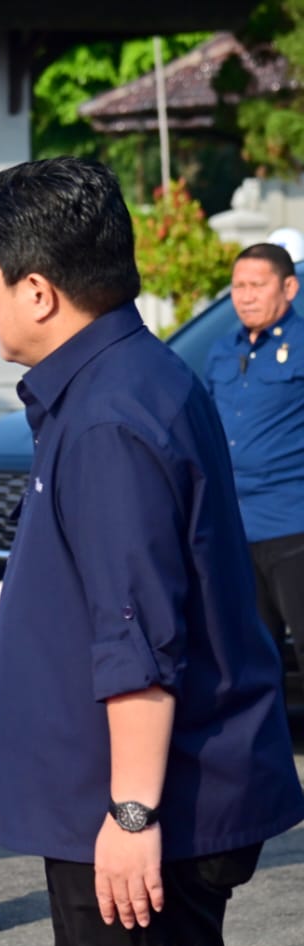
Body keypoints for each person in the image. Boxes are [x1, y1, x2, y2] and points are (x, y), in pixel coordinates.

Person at [0, 157, 304, 946]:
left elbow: (140, 638)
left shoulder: (112, 415)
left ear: (39, 291)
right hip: (113, 802)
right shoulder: (121, 381)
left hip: (132, 811)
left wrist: (130, 813)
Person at [204, 241, 304, 676]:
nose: (244, 296)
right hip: (234, 531)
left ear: (289, 288)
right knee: (250, 663)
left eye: (256, 285)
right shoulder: (223, 351)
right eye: (238, 286)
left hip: (292, 528)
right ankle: (266, 747)